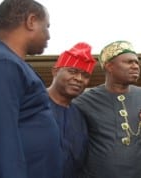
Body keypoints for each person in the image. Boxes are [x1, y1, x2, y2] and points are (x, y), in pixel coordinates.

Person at [73, 40, 141, 178]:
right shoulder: (83, 102)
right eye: (129, 62)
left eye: (137, 62)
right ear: (109, 66)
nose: (135, 66)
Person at [0, 0, 62, 178]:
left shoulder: (8, 62)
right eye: (47, 26)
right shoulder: (1, 63)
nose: (48, 35)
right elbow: (1, 140)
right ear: (31, 21)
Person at [47, 42, 96, 178]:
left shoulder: (81, 116)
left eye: (85, 75)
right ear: (55, 71)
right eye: (73, 71)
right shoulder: (30, 105)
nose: (79, 79)